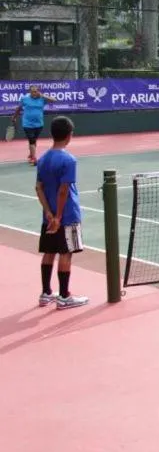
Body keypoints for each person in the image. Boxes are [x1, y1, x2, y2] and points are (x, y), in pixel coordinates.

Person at [35, 115, 88, 310]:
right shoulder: (69, 160)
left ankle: (46, 293)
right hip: (67, 216)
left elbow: (38, 188)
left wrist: (48, 213)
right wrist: (58, 216)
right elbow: (64, 190)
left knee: (49, 252)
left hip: (48, 217)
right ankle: (64, 296)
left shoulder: (42, 159)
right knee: (66, 253)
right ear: (70, 135)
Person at [12, 85, 57, 166]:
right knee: (32, 140)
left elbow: (54, 100)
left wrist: (43, 95)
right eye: (32, 91)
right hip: (27, 124)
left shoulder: (42, 99)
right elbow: (18, 108)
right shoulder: (24, 99)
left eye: (36, 91)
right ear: (30, 92)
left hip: (39, 124)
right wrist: (14, 117)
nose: (34, 93)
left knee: (34, 140)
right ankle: (34, 158)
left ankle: (31, 154)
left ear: (38, 91)